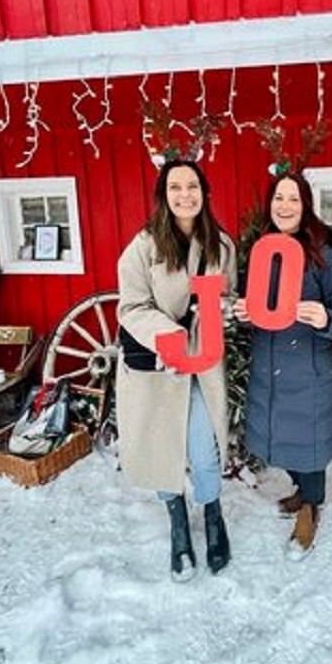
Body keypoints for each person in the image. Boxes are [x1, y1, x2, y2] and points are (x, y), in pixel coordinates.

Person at [116, 159, 236, 582]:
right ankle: (178, 524)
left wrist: (223, 308)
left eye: (192, 186)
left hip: (202, 366)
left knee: (204, 449)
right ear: (163, 196)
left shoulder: (221, 247)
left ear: (204, 192)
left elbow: (226, 296)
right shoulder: (143, 247)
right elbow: (130, 307)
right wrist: (169, 334)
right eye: (175, 188)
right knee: (161, 446)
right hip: (157, 368)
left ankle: (213, 513)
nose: (185, 195)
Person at [234, 172, 332, 560]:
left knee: (310, 444)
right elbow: (256, 304)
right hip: (269, 365)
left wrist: (326, 319)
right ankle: (302, 491)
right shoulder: (261, 251)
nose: (284, 206)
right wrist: (244, 312)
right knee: (281, 438)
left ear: (306, 205)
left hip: (308, 367)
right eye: (278, 198)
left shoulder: (324, 254)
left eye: (293, 199)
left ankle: (311, 507)